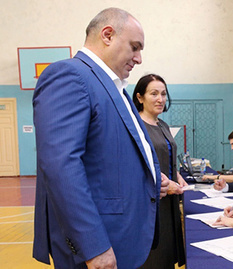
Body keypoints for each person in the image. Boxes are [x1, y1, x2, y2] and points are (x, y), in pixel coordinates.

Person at [32, 8, 169, 268]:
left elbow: (105, 155)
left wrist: (149, 178)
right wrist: (93, 247)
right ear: (107, 35)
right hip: (98, 244)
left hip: (122, 237)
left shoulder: (114, 88)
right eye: (135, 47)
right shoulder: (70, 76)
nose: (139, 58)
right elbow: (61, 166)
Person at [133, 74, 187, 269]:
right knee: (151, 259)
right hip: (148, 205)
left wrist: (177, 175)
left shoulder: (162, 124)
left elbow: (166, 156)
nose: (160, 99)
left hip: (169, 204)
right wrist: (161, 184)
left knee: (165, 258)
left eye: (163, 94)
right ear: (140, 97)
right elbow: (134, 168)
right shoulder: (135, 127)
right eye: (154, 93)